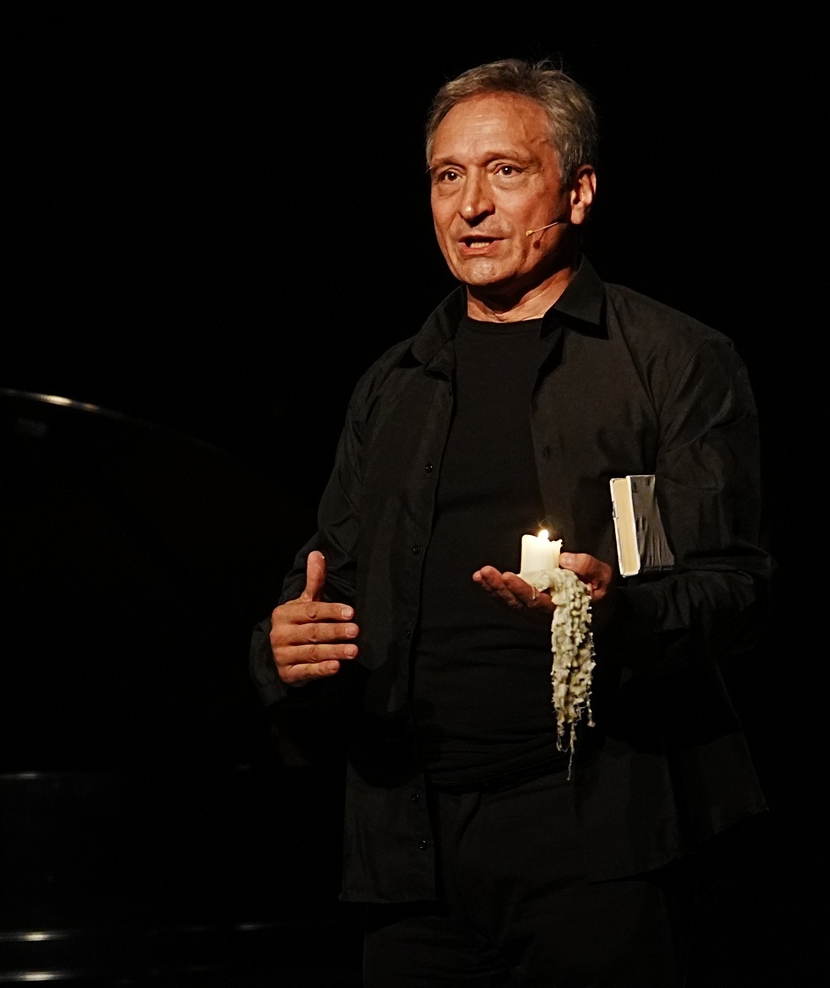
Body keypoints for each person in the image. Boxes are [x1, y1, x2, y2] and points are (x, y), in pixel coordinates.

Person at [249, 58, 773, 985]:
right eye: (448, 176)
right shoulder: (394, 382)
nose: (471, 207)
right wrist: (285, 644)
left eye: (505, 170)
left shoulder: (672, 359)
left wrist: (616, 611)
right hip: (410, 844)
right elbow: (326, 577)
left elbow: (733, 590)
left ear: (578, 192)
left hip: (596, 839)